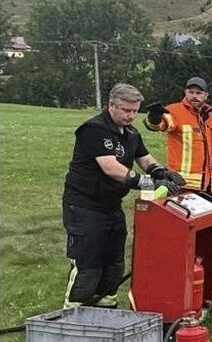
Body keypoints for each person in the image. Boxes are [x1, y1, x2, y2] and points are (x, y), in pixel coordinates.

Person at [62, 83, 185, 309]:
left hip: (111, 206)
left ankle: (106, 311)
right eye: (125, 110)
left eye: (134, 111)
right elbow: (111, 168)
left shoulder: (130, 133)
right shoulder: (94, 130)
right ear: (111, 105)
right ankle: (72, 318)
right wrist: (147, 182)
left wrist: (162, 172)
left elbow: (145, 158)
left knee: (114, 264)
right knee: (89, 265)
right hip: (85, 205)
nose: (130, 116)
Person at [143, 76, 212, 202]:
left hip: (208, 190)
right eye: (191, 92)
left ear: (206, 95)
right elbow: (160, 125)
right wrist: (154, 117)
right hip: (181, 186)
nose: (194, 96)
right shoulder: (175, 111)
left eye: (198, 93)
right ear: (185, 93)